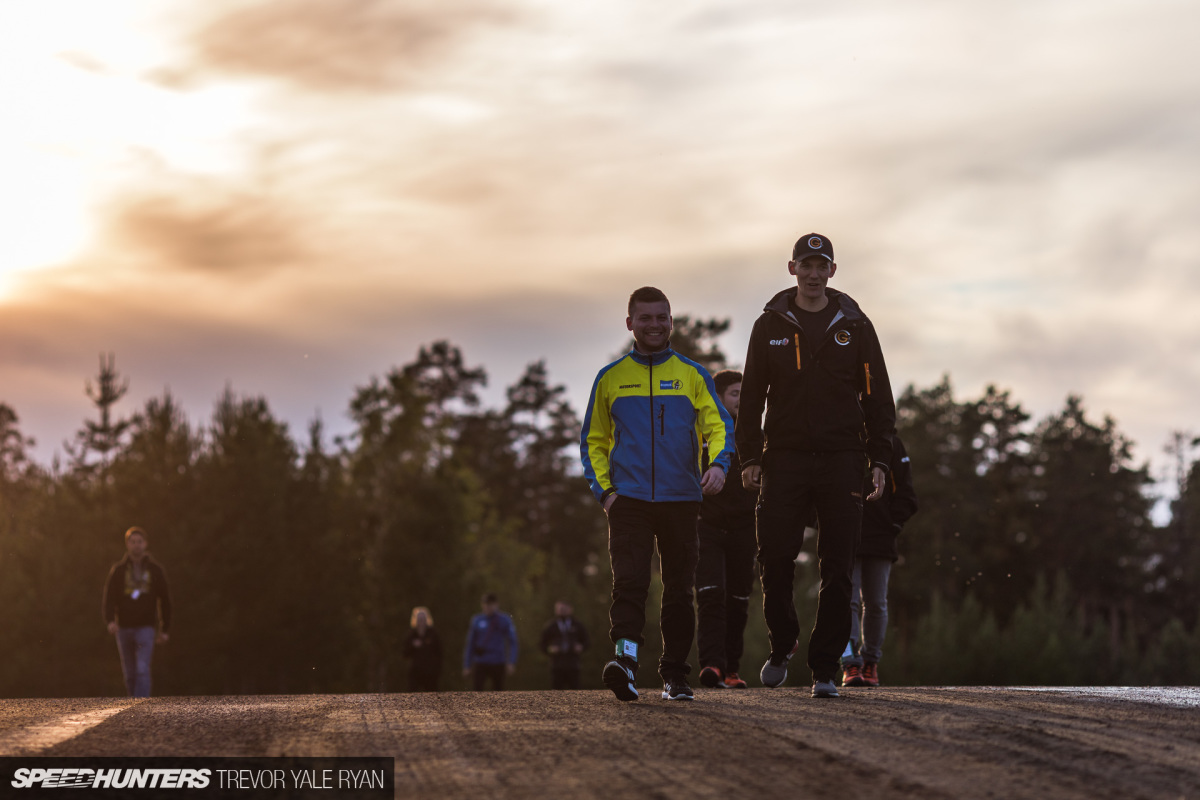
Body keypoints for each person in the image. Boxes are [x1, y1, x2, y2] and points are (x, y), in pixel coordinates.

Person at [737, 233, 896, 699]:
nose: (812, 273)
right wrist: (749, 456)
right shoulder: (769, 325)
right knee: (775, 558)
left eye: (820, 265)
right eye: (804, 265)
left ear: (832, 271)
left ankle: (825, 668)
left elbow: (878, 397)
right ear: (792, 269)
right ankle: (783, 643)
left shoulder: (856, 326)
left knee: (838, 567)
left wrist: (880, 458)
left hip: (843, 458)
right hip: (783, 458)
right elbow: (751, 400)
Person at [581, 286, 734, 702]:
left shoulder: (692, 375)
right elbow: (592, 441)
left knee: (680, 588)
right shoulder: (610, 378)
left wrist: (720, 464)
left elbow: (720, 426)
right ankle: (626, 663)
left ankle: (674, 674)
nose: (653, 325)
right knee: (629, 583)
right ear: (630, 323)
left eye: (661, 317)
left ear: (671, 321)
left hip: (682, 498)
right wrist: (605, 493)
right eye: (644, 318)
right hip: (627, 500)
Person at [695, 369, 759, 690]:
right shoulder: (704, 433)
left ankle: (731, 669)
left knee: (738, 599)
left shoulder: (756, 435)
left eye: (744, 394)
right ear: (718, 398)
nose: (741, 399)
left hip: (745, 529)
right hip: (706, 526)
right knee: (710, 596)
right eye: (735, 393)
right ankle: (711, 666)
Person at [841, 434, 918, 688]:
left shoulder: (891, 442)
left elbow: (905, 488)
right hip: (844, 533)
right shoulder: (837, 433)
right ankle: (850, 663)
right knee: (845, 600)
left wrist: (894, 523)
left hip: (881, 536)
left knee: (876, 602)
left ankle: (870, 661)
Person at [102, 526, 172, 698]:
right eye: (133, 542)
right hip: (124, 627)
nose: (136, 545)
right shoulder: (118, 571)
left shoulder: (155, 571)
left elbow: (165, 600)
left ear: (145, 544)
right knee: (130, 673)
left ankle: (140, 707)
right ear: (127, 544)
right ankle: (133, 705)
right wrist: (110, 620)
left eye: (139, 541)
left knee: (142, 668)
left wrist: (164, 629)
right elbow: (109, 597)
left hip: (146, 627)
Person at [462, 592, 518, 691]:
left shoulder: (504, 620)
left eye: (490, 604)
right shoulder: (477, 620)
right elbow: (470, 643)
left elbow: (512, 641)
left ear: (496, 605)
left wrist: (511, 661)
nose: (488, 607)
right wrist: (467, 664)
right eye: (485, 604)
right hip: (480, 661)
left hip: (498, 661)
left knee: (498, 692)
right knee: (477, 691)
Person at [538, 600, 591, 689]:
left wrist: (581, 647)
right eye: (560, 609)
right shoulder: (551, 626)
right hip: (557, 664)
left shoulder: (577, 625)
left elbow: (587, 641)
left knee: (575, 691)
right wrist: (550, 649)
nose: (562, 611)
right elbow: (542, 644)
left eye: (565, 608)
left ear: (570, 609)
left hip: (573, 664)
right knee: (556, 691)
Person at [403, 606, 443, 692]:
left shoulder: (433, 634)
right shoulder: (411, 635)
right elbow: (405, 653)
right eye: (419, 619)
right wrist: (413, 646)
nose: (421, 621)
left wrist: (437, 669)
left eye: (423, 619)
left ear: (427, 619)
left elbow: (439, 652)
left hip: (430, 672)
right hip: (415, 672)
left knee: (432, 697)